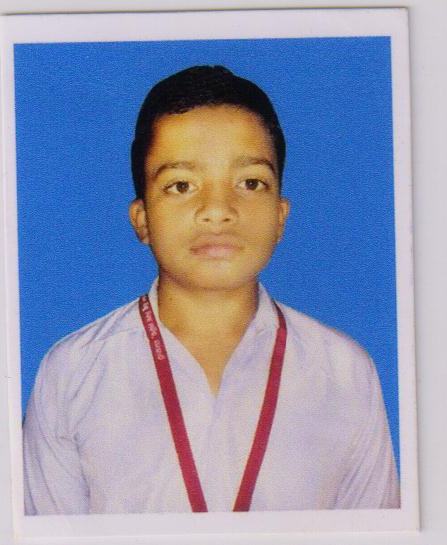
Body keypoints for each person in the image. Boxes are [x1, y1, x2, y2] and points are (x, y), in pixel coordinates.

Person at [23, 65, 400, 515]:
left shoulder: (344, 372)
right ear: (142, 219)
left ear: (280, 216)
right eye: (181, 185)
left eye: (250, 183)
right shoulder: (73, 373)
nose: (218, 210)